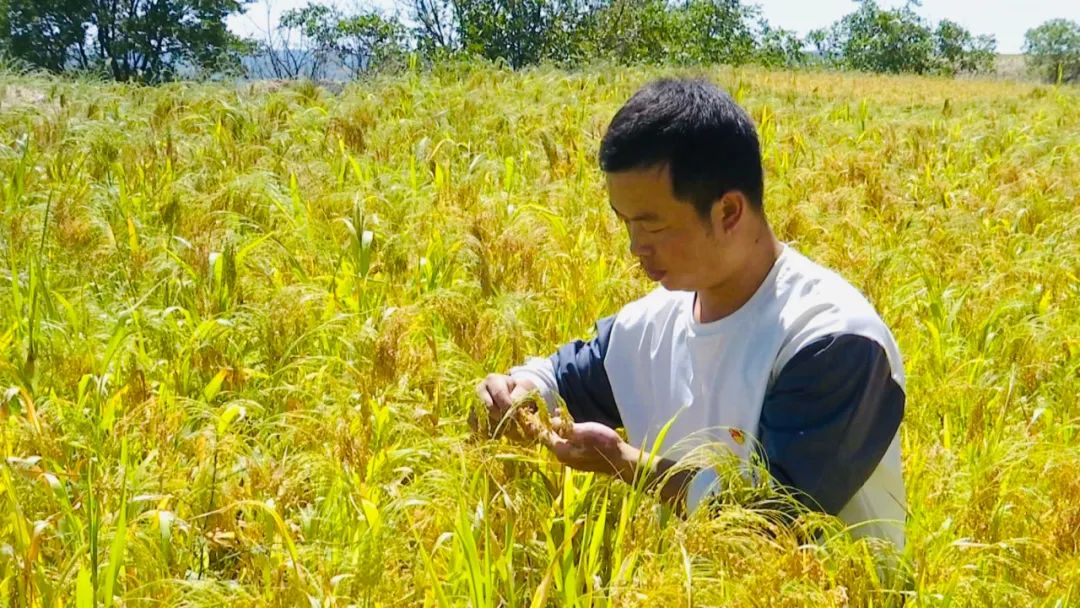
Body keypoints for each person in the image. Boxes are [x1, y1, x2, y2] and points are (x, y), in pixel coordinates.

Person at [474, 77, 907, 548]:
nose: (635, 248)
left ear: (728, 212)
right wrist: (520, 391)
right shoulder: (649, 326)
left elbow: (773, 525)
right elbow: (565, 376)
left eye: (652, 225)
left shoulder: (831, 339)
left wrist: (628, 465)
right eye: (626, 223)